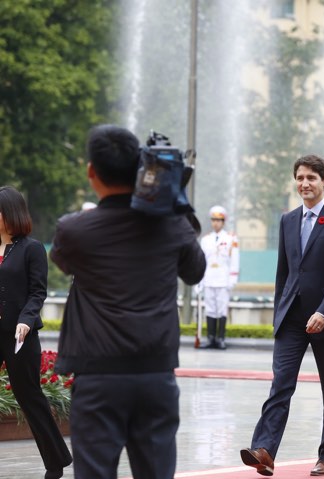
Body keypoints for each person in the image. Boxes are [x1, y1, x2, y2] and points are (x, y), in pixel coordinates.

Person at [50, 125, 206, 478]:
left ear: (91, 171)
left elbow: (63, 261)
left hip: (98, 378)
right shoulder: (172, 226)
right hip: (156, 375)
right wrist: (174, 197)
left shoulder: (74, 230)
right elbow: (195, 272)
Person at [240, 154, 324, 477]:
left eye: (311, 178)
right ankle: (264, 450)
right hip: (292, 318)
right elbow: (285, 271)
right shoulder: (288, 220)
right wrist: (279, 312)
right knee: (281, 383)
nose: (305, 183)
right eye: (300, 178)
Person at [0, 186, 73, 479]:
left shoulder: (31, 249)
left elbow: (37, 292)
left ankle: (56, 462)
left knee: (29, 397)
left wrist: (26, 320)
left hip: (20, 336)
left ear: (10, 213)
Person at [199, 205, 239, 349]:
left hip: (223, 279)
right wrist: (200, 280)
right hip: (209, 278)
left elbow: (234, 260)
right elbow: (202, 261)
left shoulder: (230, 238)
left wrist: (232, 279)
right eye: (214, 220)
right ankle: (210, 338)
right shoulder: (206, 240)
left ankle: (221, 338)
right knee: (210, 308)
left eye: (218, 220)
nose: (215, 223)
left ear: (223, 222)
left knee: (222, 309)